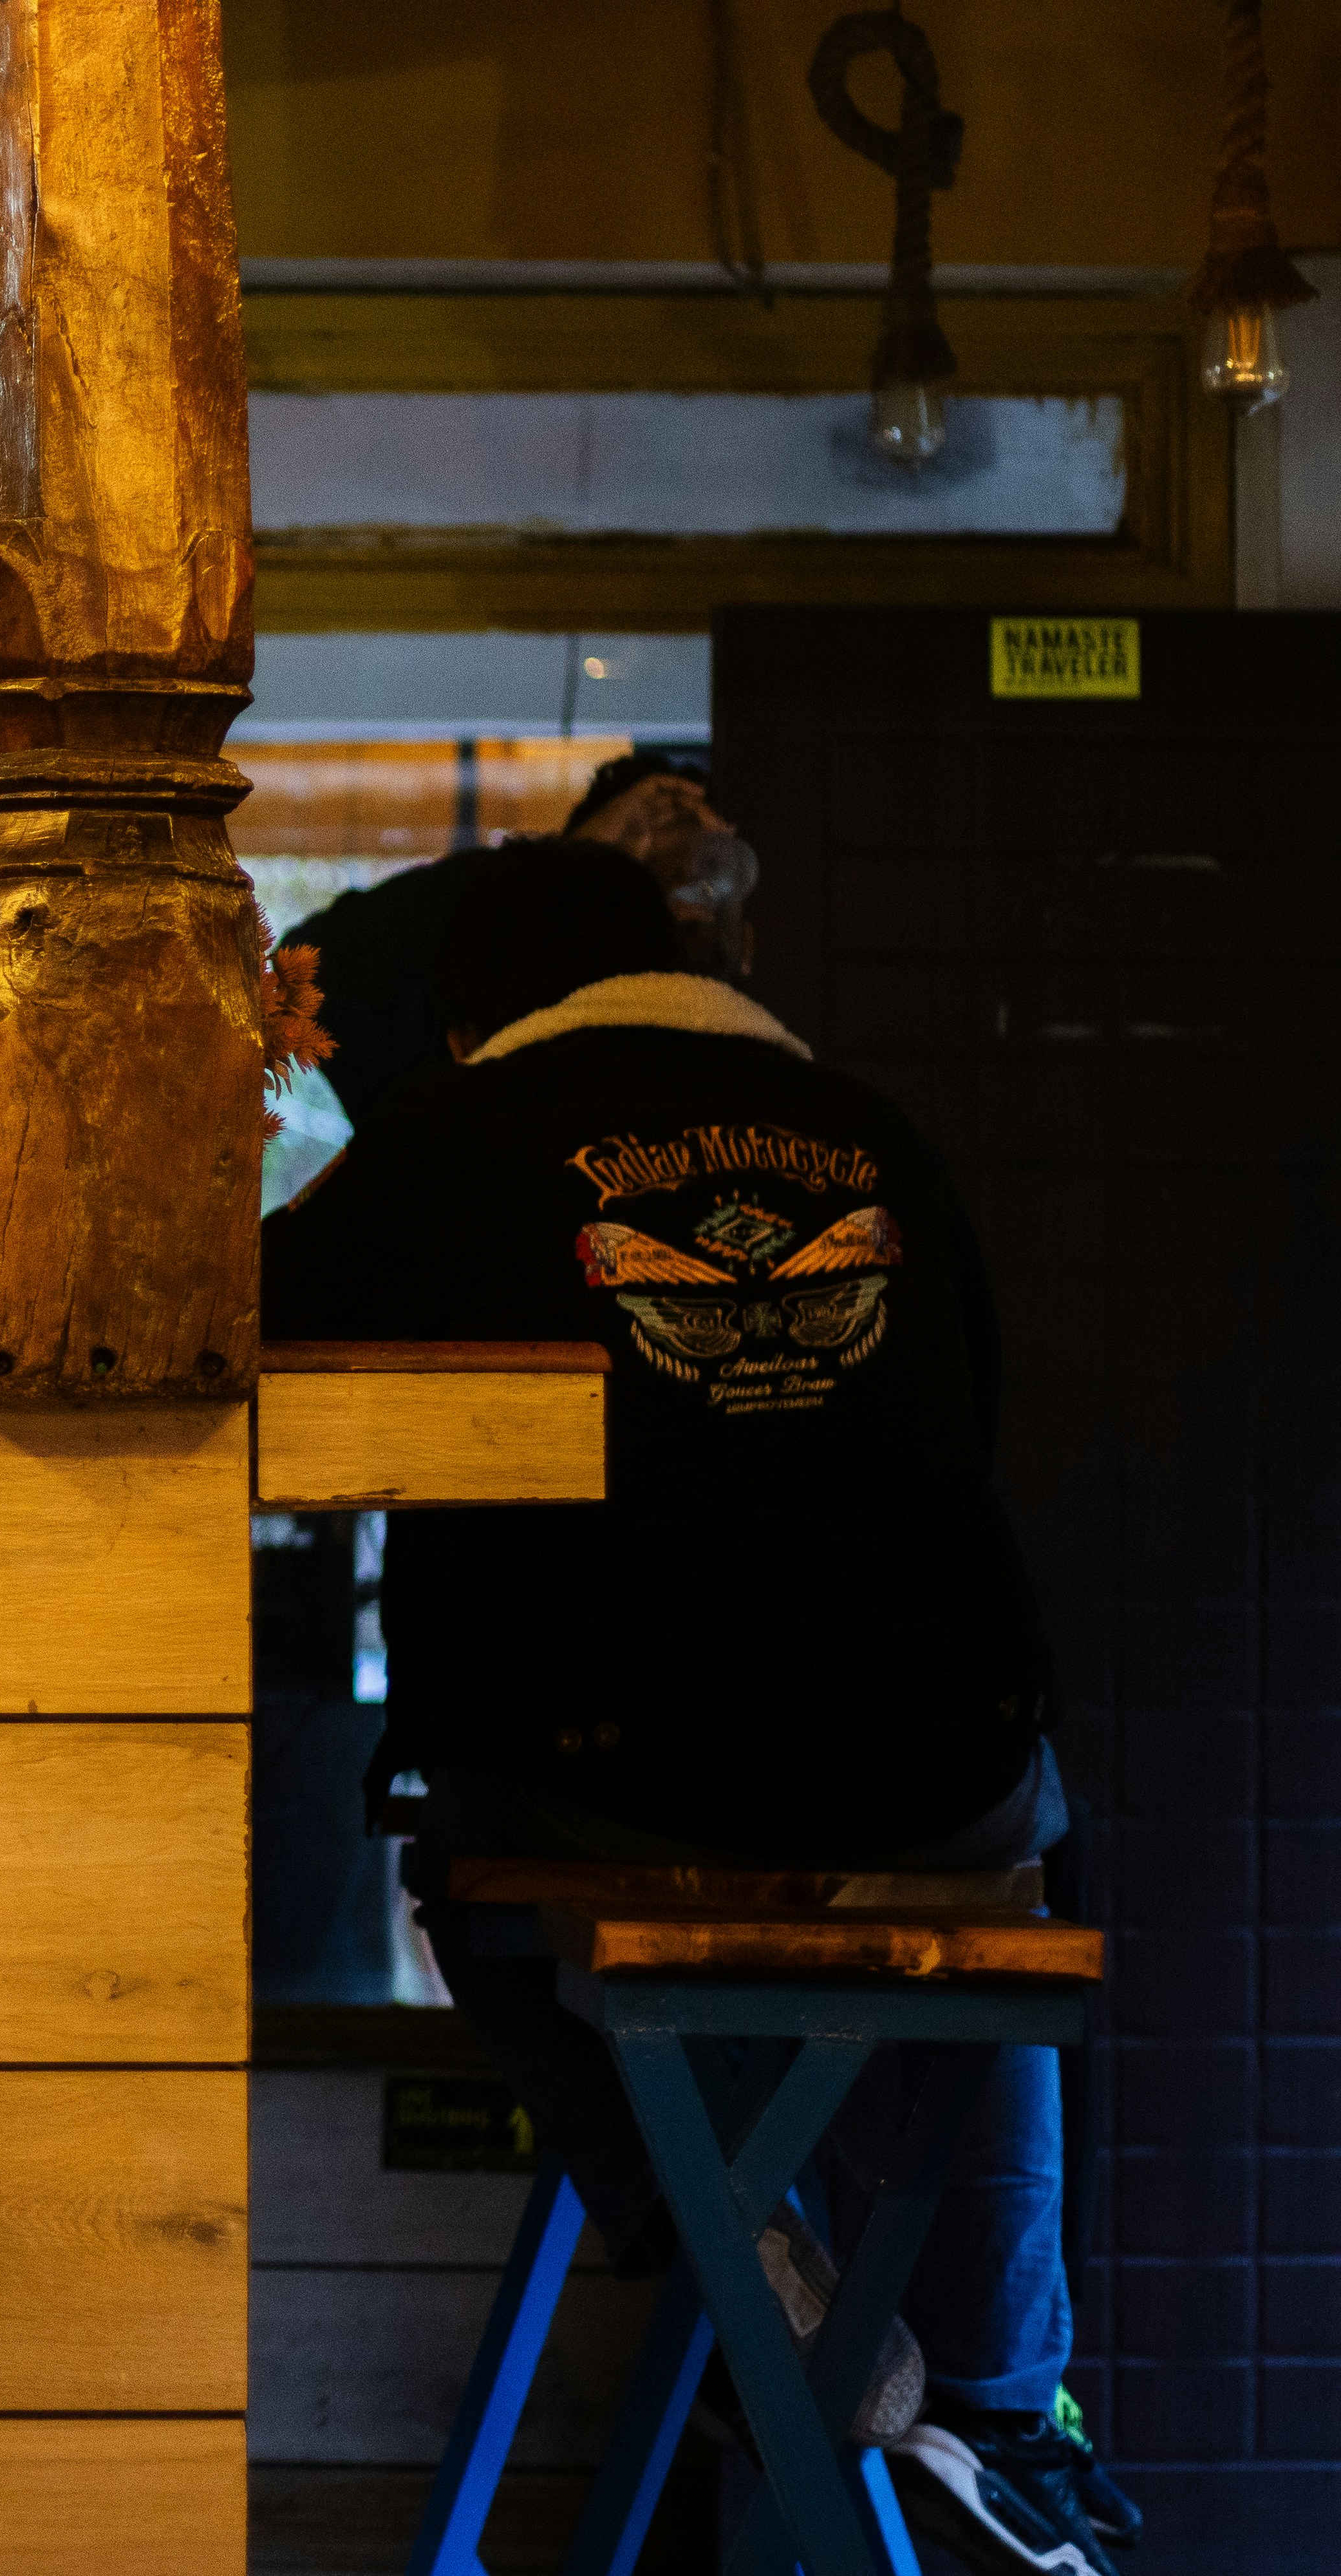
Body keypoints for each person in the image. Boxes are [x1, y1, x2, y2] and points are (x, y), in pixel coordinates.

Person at [261, 840, 1130, 2576]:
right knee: (1013, 1885)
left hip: (621, 1775)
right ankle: (1010, 2405)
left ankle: (723, 2256)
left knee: (479, 1898)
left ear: (475, 1012)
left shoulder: (454, 1134)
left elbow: (231, 1334)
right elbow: (969, 1419)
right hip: (944, 1760)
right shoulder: (878, 1136)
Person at [288, 747, 753, 1130]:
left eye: (712, 873)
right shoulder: (485, 1079)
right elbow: (308, 968)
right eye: (653, 884)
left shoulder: (763, 1097)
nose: (690, 904)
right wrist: (559, 870)